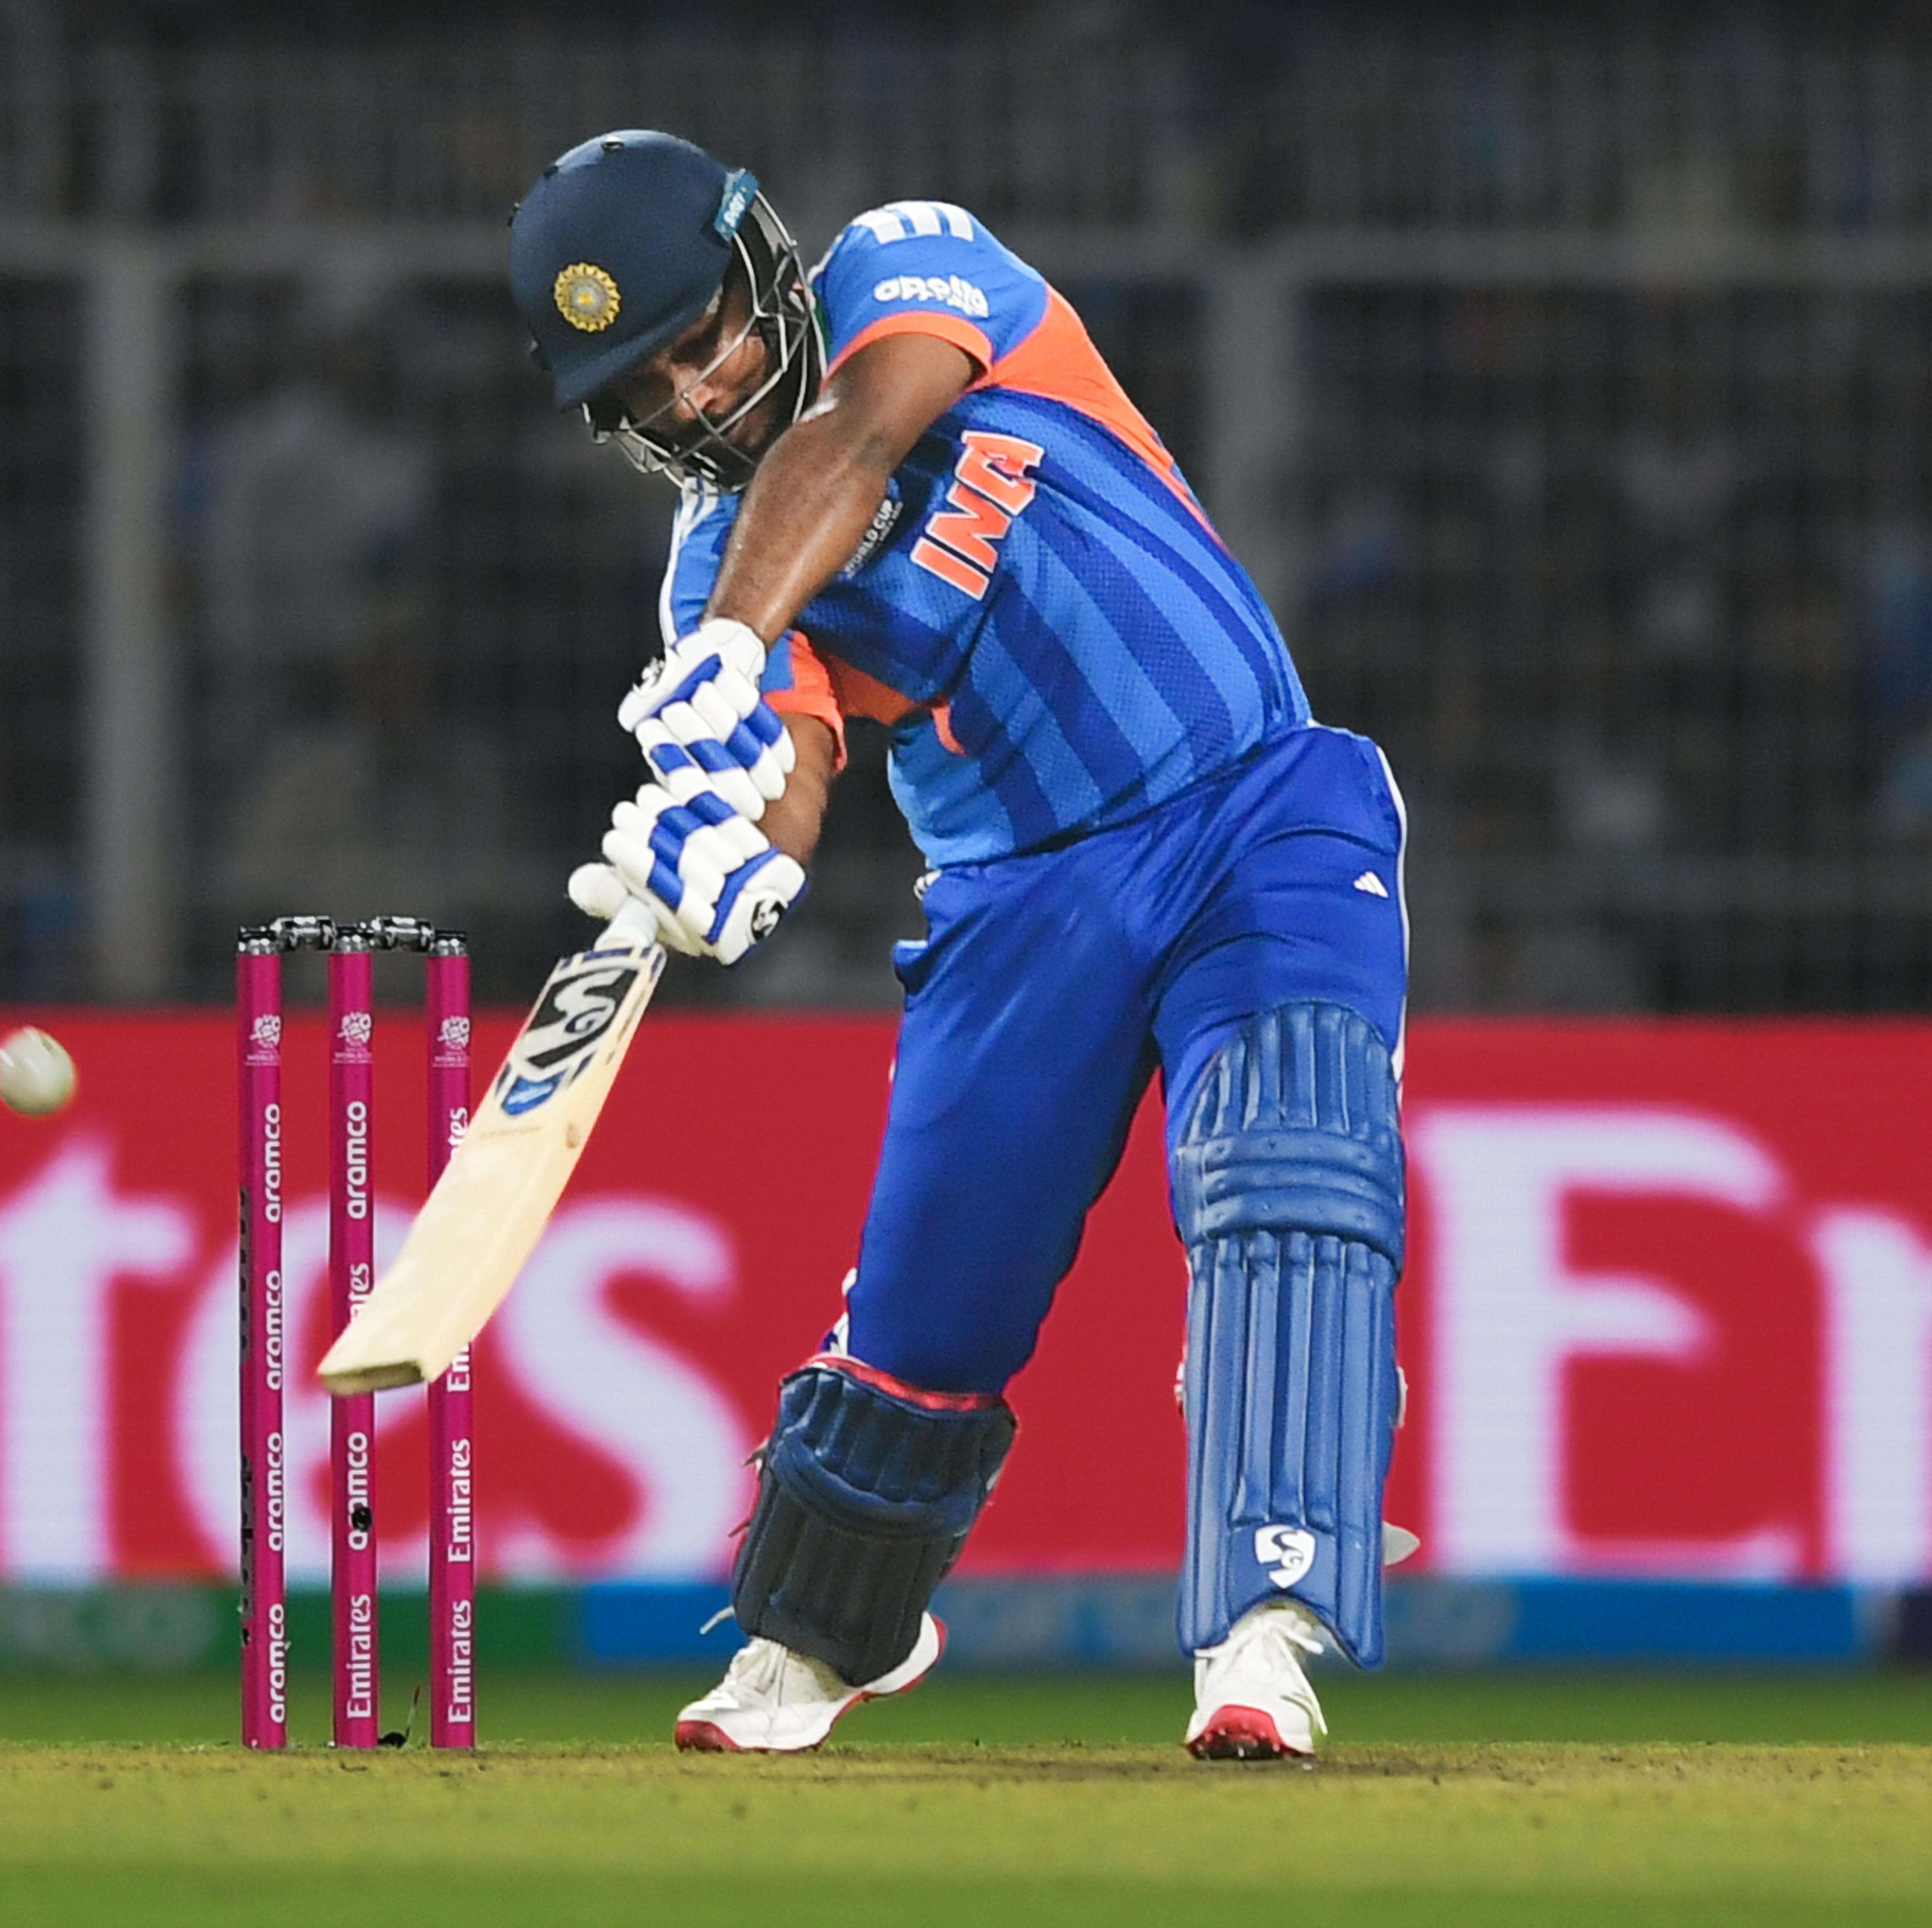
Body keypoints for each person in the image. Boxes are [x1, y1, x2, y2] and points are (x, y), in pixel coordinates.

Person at [507, 132, 1411, 1759]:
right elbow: (782, 792)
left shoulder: (912, 266)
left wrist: (734, 637)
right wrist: (720, 850)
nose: (692, 403)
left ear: (762, 263)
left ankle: (1262, 1627)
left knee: (1286, 1175)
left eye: (698, 341)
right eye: (641, 394)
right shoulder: (714, 571)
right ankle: (818, 1632)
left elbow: (861, 429)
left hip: (1249, 810)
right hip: (1016, 908)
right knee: (928, 1311)